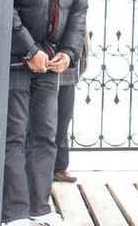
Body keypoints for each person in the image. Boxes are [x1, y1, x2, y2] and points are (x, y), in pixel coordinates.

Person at [2, 0, 88, 226]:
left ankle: (39, 209)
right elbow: (4, 3)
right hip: (17, 61)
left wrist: (69, 52)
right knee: (14, 136)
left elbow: (79, 9)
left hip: (52, 62)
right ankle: (14, 213)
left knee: (45, 136)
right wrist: (29, 51)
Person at [53, 34, 88, 184]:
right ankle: (50, 168)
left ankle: (59, 166)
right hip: (45, 57)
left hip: (68, 63)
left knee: (63, 118)